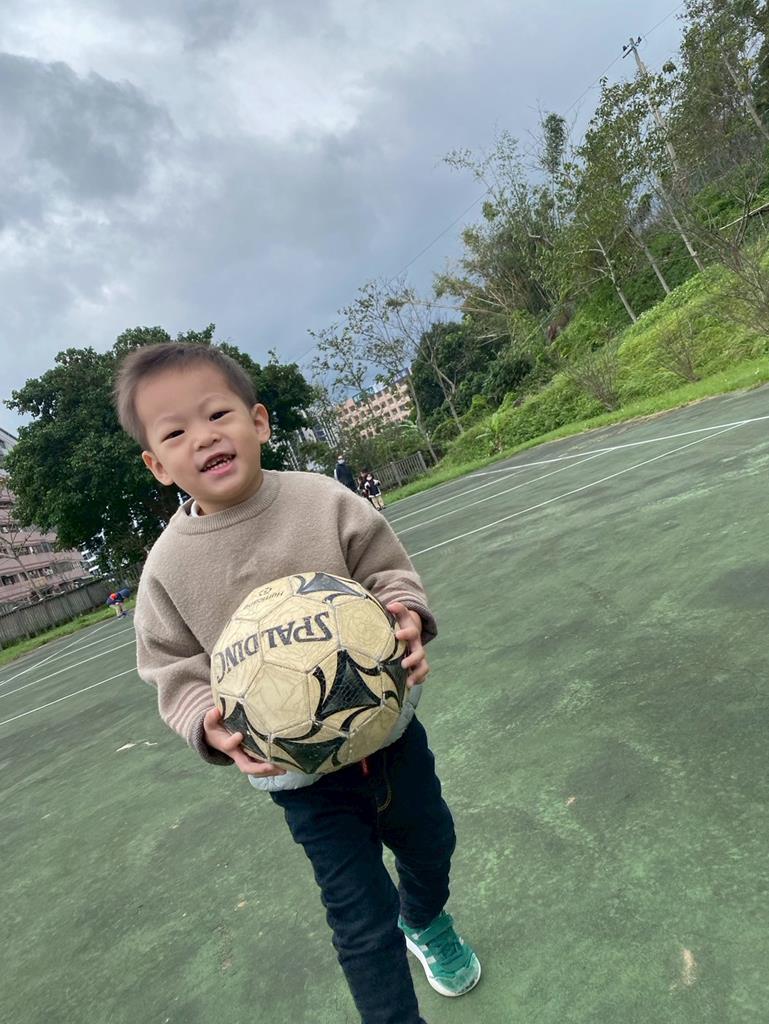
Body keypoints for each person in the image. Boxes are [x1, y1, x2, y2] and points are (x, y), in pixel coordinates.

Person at [114, 343, 480, 1024]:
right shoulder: (167, 568)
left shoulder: (323, 500)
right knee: (359, 920)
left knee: (432, 846)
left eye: (217, 414)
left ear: (258, 421)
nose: (204, 437)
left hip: (392, 737)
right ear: (157, 465)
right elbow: (171, 664)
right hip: (303, 780)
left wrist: (404, 612)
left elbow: (386, 570)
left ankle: (425, 920)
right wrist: (205, 720)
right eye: (175, 432)